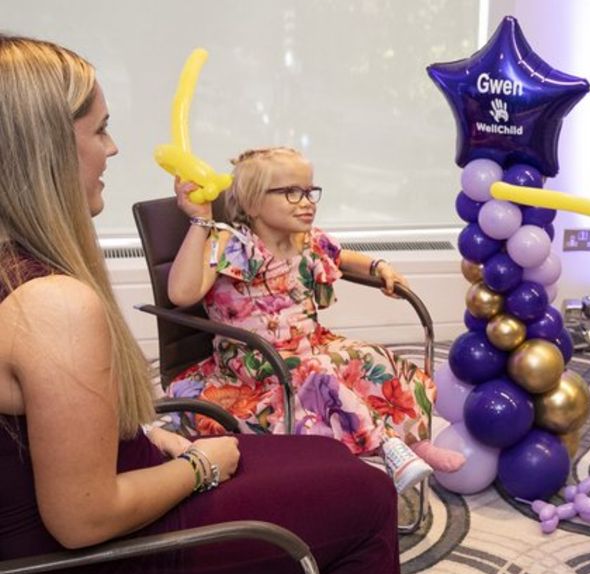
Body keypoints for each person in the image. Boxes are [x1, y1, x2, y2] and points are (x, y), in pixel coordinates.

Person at [0, 35, 412, 574]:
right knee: (368, 497)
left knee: (322, 459)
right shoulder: (53, 307)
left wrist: (145, 436)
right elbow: (82, 519)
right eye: (100, 130)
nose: (114, 149)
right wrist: (200, 465)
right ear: (45, 147)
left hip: (64, 564)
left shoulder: (17, 274)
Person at [166, 145, 464, 491]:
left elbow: (343, 256)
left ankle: (413, 443)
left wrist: (378, 265)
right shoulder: (232, 243)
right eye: (291, 192)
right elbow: (182, 293)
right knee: (318, 375)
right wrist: (200, 221)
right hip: (254, 362)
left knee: (373, 359)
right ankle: (388, 447)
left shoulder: (305, 241)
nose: (307, 202)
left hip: (310, 343)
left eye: (310, 191)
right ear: (252, 203)